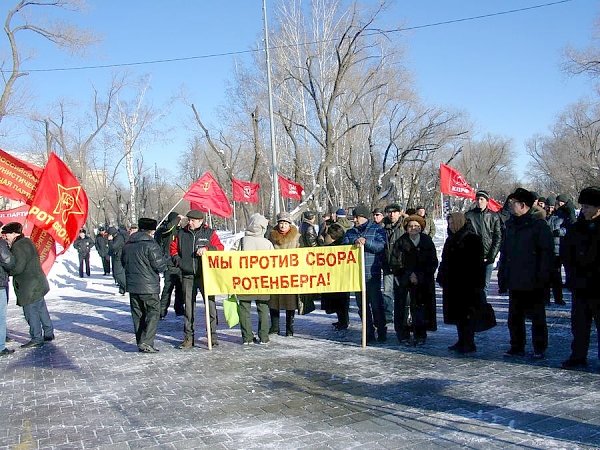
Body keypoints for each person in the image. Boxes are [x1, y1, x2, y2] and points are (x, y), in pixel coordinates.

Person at [498, 188, 553, 359]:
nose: (510, 205)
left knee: (537, 317)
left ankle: (539, 347)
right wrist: (502, 276)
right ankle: (517, 345)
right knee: (514, 317)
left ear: (523, 205)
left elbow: (546, 253)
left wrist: (543, 278)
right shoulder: (511, 225)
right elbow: (505, 252)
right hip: (515, 278)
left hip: (533, 280)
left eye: (513, 203)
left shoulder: (538, 225)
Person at [170, 209, 224, 348]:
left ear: (200, 221)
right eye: (189, 220)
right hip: (188, 275)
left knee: (210, 306)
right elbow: (173, 249)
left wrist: (208, 249)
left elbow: (220, 248)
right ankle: (188, 337)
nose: (190, 222)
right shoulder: (181, 233)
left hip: (205, 276)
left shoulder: (209, 233)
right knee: (188, 308)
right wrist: (180, 262)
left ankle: (212, 335)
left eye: (193, 220)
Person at [561, 187, 600, 369]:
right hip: (580, 284)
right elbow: (567, 253)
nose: (583, 210)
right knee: (579, 325)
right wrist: (571, 274)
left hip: (597, 284)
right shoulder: (577, 228)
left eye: (587, 207)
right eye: (582, 206)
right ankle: (578, 355)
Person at [437, 213, 485, 353]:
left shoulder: (472, 239)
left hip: (467, 283)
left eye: (453, 223)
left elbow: (477, 264)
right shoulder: (450, 239)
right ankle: (461, 340)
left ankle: (469, 342)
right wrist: (442, 276)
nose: (450, 226)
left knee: (467, 314)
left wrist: (477, 283)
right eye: (449, 223)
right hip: (452, 283)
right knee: (457, 314)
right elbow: (445, 260)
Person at [1, 222, 54, 348]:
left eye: (7, 234)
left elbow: (18, 268)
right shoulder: (27, 241)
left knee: (31, 313)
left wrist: (8, 270)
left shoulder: (18, 246)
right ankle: (48, 333)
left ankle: (36, 338)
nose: (5, 236)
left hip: (28, 286)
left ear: (14, 234)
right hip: (38, 283)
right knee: (41, 309)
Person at [389, 214, 438, 345]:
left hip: (423, 281)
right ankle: (403, 334)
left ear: (421, 227)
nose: (413, 228)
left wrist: (419, 275)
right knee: (403, 308)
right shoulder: (401, 241)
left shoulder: (427, 241)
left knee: (420, 308)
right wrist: (408, 274)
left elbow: (433, 262)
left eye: (416, 226)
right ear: (406, 228)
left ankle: (420, 334)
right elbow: (395, 262)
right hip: (404, 280)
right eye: (410, 226)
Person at [121, 218, 168, 353]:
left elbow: (124, 263)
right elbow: (160, 266)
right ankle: (147, 342)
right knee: (153, 312)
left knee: (138, 314)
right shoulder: (151, 245)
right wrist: (166, 260)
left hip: (133, 286)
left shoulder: (128, 244)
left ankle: (140, 341)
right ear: (151, 231)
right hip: (149, 287)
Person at [344, 204, 387, 343]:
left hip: (371, 274)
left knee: (376, 305)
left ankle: (381, 330)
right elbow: (343, 247)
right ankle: (368, 332)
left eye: (356, 217)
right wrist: (353, 242)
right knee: (362, 307)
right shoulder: (351, 232)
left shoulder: (377, 229)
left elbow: (380, 246)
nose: (354, 220)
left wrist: (366, 242)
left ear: (363, 217)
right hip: (356, 275)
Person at [235, 213, 274, 345]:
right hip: (263, 280)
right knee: (263, 308)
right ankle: (264, 336)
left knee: (244, 308)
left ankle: (247, 337)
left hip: (244, 280)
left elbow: (230, 260)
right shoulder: (267, 243)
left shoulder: (241, 241)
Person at [465, 190, 503, 301]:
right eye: (477, 199)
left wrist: (492, 255)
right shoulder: (469, 215)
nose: (479, 201)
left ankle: (482, 309)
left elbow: (498, 237)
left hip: (488, 257)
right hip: (473, 257)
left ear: (487, 201)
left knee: (484, 286)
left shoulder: (494, 216)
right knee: (473, 285)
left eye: (482, 199)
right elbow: (464, 236)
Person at [268, 212, 300, 336]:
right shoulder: (271, 236)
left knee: (290, 301)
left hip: (290, 273)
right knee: (274, 301)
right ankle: (274, 326)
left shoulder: (297, 236)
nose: (283, 226)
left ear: (289, 224)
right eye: (281, 223)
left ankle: (289, 328)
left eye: (285, 223)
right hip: (275, 273)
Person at [320, 223, 350, 331]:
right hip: (337, 278)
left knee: (340, 302)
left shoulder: (335, 248)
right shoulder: (336, 246)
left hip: (338, 278)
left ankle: (343, 321)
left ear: (332, 236)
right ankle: (342, 320)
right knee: (340, 302)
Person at [155, 212, 184, 318]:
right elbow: (167, 229)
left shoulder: (179, 230)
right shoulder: (165, 230)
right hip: (169, 263)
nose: (179, 222)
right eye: (178, 220)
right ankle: (162, 311)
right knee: (168, 288)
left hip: (179, 264)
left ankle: (179, 309)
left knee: (180, 289)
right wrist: (176, 219)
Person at [381, 203, 405, 325]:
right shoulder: (383, 226)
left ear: (400, 212)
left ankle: (403, 317)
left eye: (394, 212)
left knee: (403, 293)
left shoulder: (405, 225)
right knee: (387, 292)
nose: (392, 214)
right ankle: (388, 315)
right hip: (387, 264)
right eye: (389, 212)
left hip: (401, 265)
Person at [0, 229, 15, 356]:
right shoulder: (1, 244)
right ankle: (0, 347)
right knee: (1, 316)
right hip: (0, 284)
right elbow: (9, 262)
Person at [107, 226, 126, 294]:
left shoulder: (119, 238)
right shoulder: (116, 237)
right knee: (116, 273)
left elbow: (113, 247)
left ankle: (125, 286)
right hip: (115, 256)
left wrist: (110, 241)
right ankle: (122, 289)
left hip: (119, 257)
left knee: (118, 273)